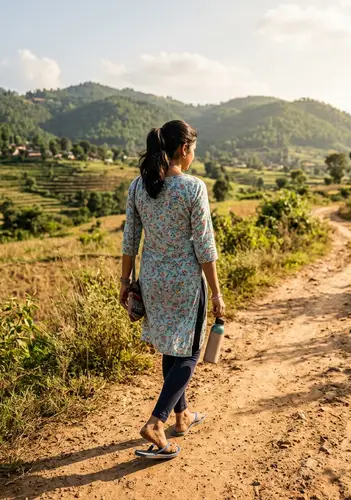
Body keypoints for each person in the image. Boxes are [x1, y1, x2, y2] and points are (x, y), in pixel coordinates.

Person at [120, 120, 225, 460]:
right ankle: (157, 421)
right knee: (190, 351)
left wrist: (125, 282)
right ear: (184, 150)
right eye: (194, 150)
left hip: (152, 282)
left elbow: (130, 241)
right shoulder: (193, 188)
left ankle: (183, 416)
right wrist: (217, 292)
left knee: (171, 346)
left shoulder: (139, 186)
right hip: (185, 284)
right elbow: (205, 247)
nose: (194, 156)